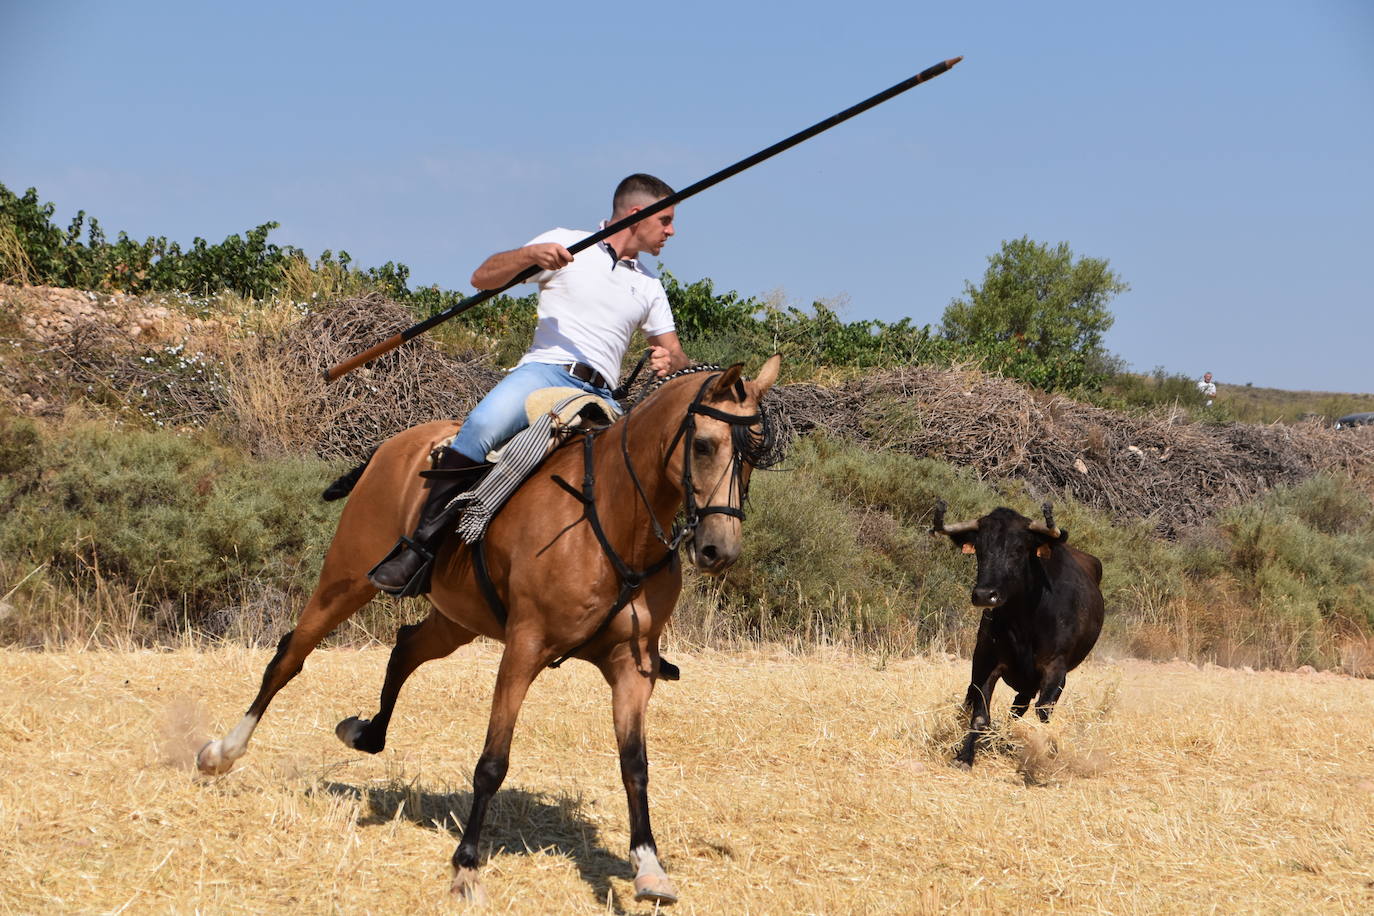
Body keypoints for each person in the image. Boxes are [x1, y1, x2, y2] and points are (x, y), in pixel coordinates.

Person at [369, 173, 691, 594]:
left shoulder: (648, 284)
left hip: (602, 396)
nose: (671, 230)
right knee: (483, 426)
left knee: (646, 463)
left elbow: (677, 352)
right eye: (665, 220)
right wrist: (528, 255)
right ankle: (421, 549)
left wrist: (672, 359)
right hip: (546, 374)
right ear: (636, 214)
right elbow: (482, 278)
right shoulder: (567, 243)